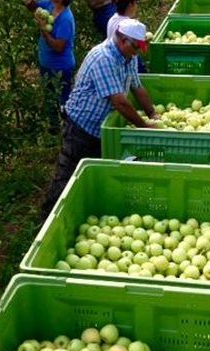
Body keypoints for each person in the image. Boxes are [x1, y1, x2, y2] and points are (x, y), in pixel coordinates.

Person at [41, 19, 159, 218]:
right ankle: (48, 216)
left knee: (94, 176)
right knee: (68, 172)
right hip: (82, 126)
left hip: (102, 128)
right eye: (136, 47)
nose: (137, 52)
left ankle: (81, 211)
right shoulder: (103, 58)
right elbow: (119, 102)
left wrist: (152, 113)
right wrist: (144, 127)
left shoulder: (127, 58)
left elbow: (137, 87)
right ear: (123, 41)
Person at [23, 0, 76, 134]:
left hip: (61, 68)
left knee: (65, 102)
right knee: (50, 100)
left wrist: (44, 31)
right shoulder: (49, 5)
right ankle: (54, 132)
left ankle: (70, 132)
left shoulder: (66, 19)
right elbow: (33, 7)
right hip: (46, 65)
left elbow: (59, 47)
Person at [107, 0, 147, 73]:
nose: (136, 7)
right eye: (136, 3)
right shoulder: (129, 26)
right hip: (124, 58)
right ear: (130, 5)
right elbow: (143, 48)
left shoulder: (112, 19)